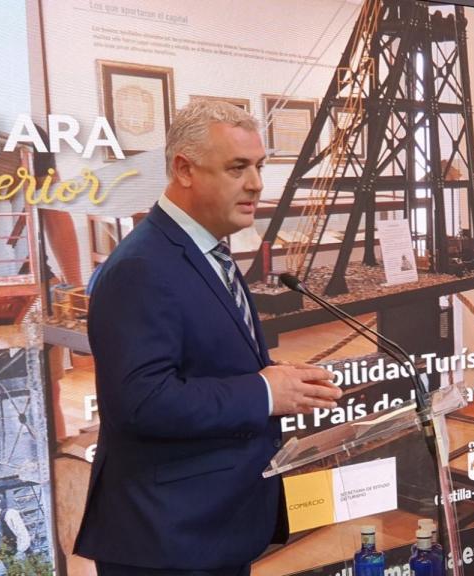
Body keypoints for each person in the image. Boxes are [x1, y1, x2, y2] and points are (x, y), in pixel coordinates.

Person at [74, 100, 342, 576]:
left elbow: (207, 365)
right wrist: (264, 391)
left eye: (258, 166)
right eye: (238, 167)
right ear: (184, 169)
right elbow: (140, 401)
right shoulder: (140, 267)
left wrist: (279, 381)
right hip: (165, 541)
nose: (257, 183)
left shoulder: (207, 251)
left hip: (209, 528)